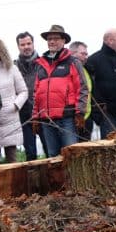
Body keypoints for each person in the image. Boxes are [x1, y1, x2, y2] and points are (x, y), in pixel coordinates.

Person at [32, 25, 88, 157]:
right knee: (53, 156)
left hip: (67, 118)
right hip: (46, 119)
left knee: (71, 154)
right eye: (49, 39)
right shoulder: (41, 65)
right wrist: (35, 117)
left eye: (56, 38)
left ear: (63, 41)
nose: (52, 41)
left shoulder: (72, 62)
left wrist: (80, 112)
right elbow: (36, 93)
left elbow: (82, 88)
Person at [86, 28, 116, 138]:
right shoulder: (93, 60)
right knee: (110, 149)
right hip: (107, 114)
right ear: (109, 40)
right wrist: (98, 113)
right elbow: (90, 88)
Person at [0, 36, 28, 164]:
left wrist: (15, 105)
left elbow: (23, 91)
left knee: (12, 159)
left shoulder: (12, 68)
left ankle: (16, 184)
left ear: (0, 50)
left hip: (10, 118)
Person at [14, 32, 48, 160]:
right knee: (30, 154)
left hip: (43, 114)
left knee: (50, 151)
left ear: (33, 44)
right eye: (22, 44)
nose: (26, 47)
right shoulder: (14, 67)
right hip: (24, 115)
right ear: (18, 46)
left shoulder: (44, 64)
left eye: (28, 43)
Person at [69, 41, 93, 141]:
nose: (86, 57)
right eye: (83, 54)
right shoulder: (69, 70)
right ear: (72, 53)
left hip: (87, 118)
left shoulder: (85, 69)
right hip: (74, 118)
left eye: (86, 54)